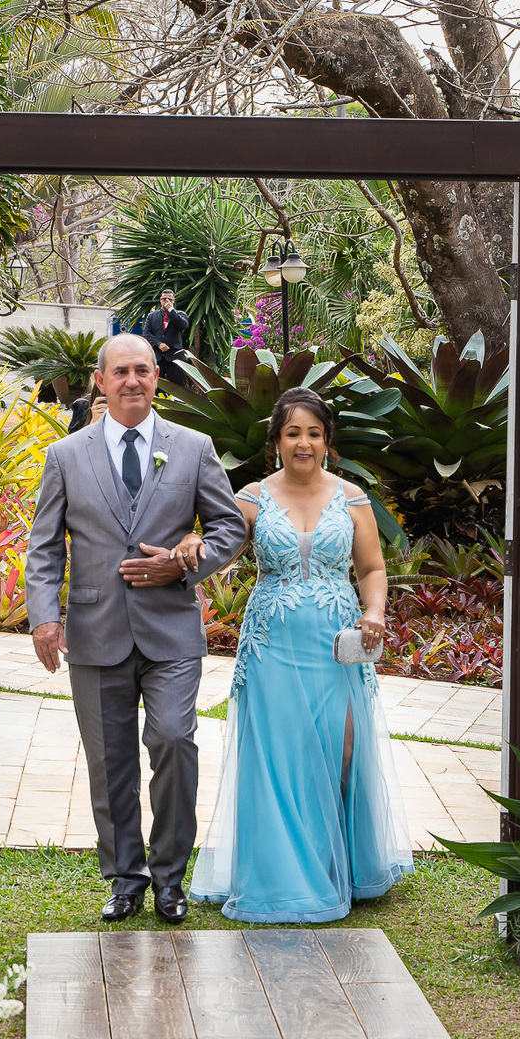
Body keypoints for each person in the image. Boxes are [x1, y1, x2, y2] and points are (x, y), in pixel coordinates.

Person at [24, 333, 244, 923]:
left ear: (156, 376)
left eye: (143, 370)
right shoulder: (66, 455)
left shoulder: (193, 448)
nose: (133, 381)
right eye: (120, 371)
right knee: (110, 762)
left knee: (174, 741)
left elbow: (228, 529)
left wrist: (181, 561)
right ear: (100, 381)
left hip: (171, 628)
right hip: (96, 632)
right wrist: (45, 616)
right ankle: (125, 877)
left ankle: (171, 878)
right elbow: (45, 547)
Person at [189, 387, 413, 922]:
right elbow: (217, 544)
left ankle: (337, 867)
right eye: (293, 433)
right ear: (276, 442)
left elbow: (373, 569)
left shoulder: (353, 498)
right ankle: (281, 877)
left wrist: (376, 611)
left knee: (340, 753)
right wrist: (188, 544)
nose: (304, 443)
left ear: (328, 442)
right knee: (278, 757)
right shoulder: (251, 497)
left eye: (314, 433)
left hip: (338, 647)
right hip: (271, 645)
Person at [142, 289, 191, 386]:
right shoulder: (152, 316)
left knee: (179, 388)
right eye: (164, 299)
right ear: (160, 300)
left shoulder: (180, 315)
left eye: (169, 299)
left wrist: (171, 310)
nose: (166, 301)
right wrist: (158, 344)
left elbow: (183, 326)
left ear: (173, 301)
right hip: (157, 357)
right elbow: (146, 333)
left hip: (174, 358)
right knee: (153, 386)